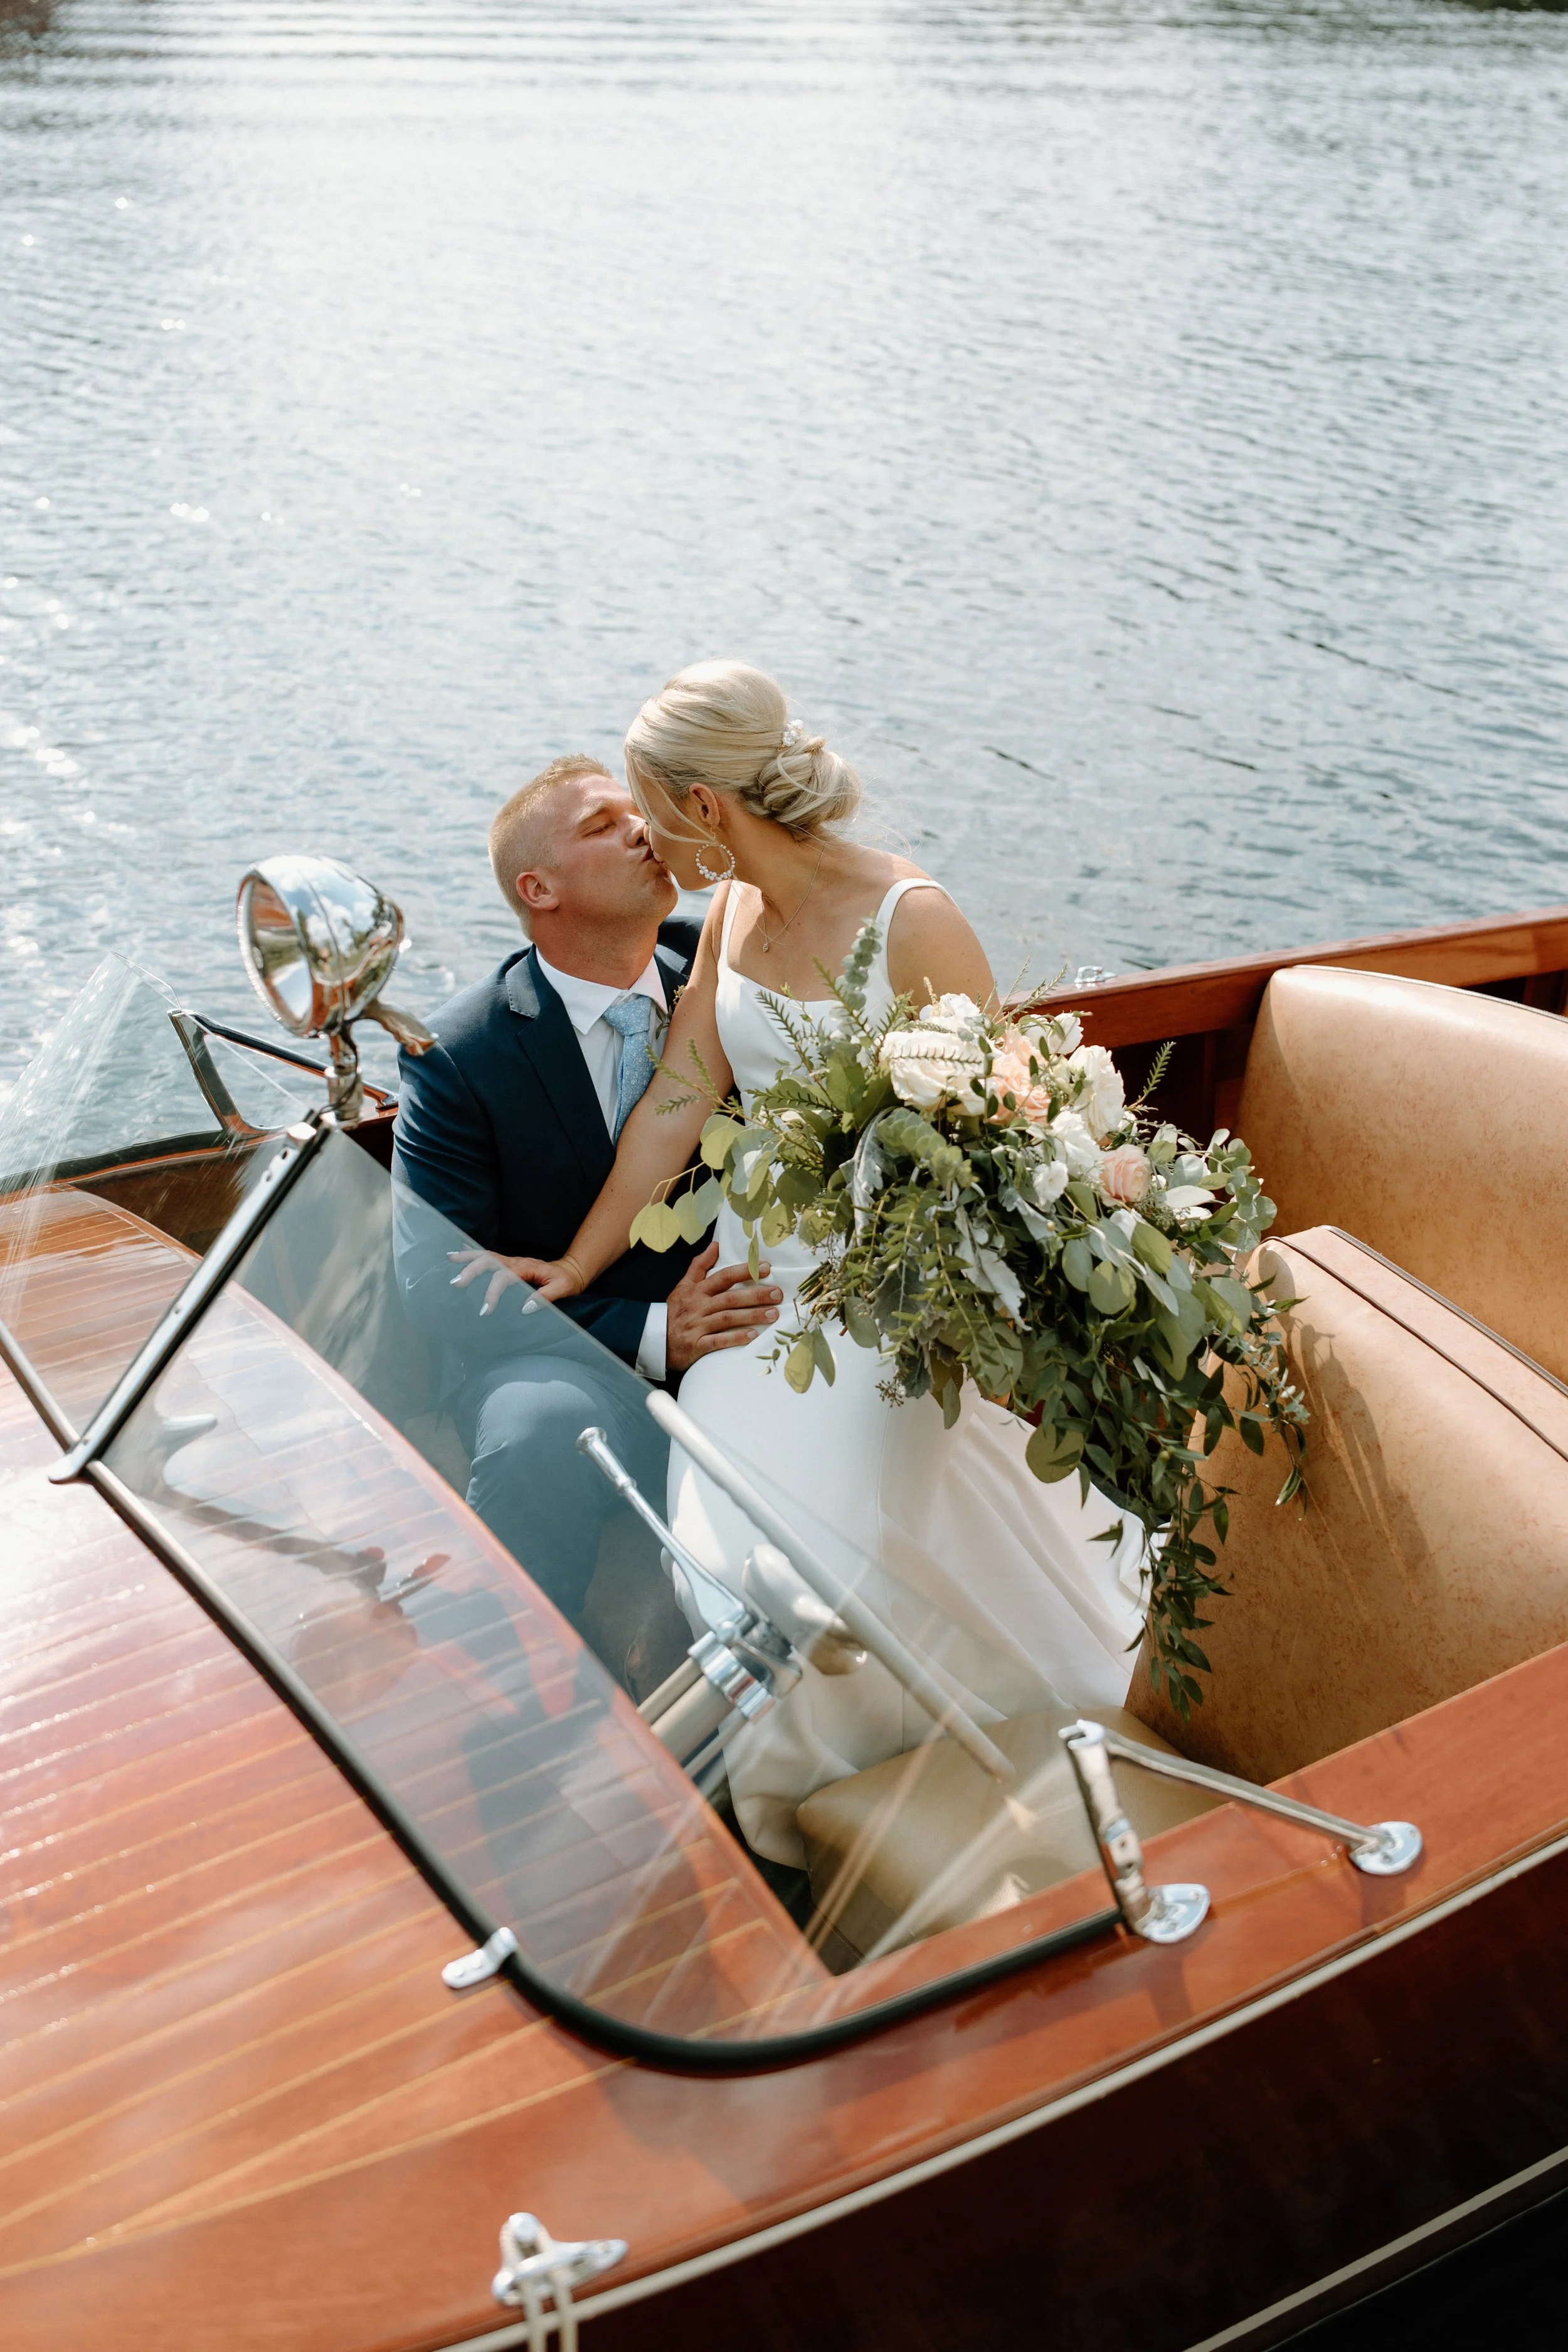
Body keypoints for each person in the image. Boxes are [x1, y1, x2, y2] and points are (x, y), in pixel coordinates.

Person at [504, 668, 1144, 1867]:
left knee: (824, 1564)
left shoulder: (914, 920)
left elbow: (1009, 1138)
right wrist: (577, 1266)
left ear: (706, 800)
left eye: (651, 810)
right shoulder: (732, 912)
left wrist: (960, 1326)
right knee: (738, 1551)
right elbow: (682, 1099)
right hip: (754, 1301)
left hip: (889, 1302)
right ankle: (808, 1819)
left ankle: (883, 1808)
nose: (646, 837)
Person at [391, 751, 783, 1635]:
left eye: (635, 811)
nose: (643, 828)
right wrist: (651, 1336)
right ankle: (522, 1703)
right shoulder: (460, 1053)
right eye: (602, 825)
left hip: (746, 1318)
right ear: (540, 887)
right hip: (564, 1357)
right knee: (539, 1427)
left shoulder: (732, 971)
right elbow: (434, 1278)